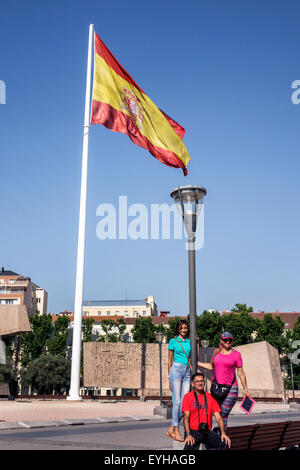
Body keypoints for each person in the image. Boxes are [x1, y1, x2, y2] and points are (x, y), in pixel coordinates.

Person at [197, 331, 251, 431]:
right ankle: (220, 435)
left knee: (223, 413)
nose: (228, 341)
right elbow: (211, 366)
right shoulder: (216, 352)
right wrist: (197, 363)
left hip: (231, 388)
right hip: (217, 388)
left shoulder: (236, 355)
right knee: (217, 413)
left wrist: (246, 390)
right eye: (225, 340)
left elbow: (241, 373)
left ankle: (223, 437)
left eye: (230, 340)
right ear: (221, 340)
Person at [182, 372, 231, 450]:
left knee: (224, 444)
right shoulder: (188, 397)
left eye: (202, 381)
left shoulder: (210, 397)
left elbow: (219, 418)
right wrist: (188, 434)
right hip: (193, 432)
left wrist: (223, 433)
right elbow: (186, 418)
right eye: (197, 381)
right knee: (188, 447)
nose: (200, 383)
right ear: (192, 384)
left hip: (206, 431)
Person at [166, 319, 192, 442]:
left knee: (185, 402)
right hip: (176, 370)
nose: (183, 330)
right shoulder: (173, 341)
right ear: (178, 329)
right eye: (181, 328)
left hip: (187, 372)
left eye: (185, 328)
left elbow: (193, 355)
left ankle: (171, 427)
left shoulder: (189, 341)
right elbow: (169, 360)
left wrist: (196, 342)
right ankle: (176, 430)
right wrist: (169, 378)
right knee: (176, 402)